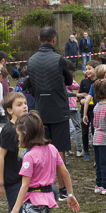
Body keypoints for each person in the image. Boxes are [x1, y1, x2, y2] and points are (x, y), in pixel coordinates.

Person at [24, 27, 72, 200]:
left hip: (41, 110)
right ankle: (63, 190)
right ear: (54, 39)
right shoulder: (60, 60)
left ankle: (44, 187)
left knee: (41, 148)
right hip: (58, 109)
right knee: (59, 151)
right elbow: (69, 80)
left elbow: (30, 84)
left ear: (39, 39)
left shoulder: (31, 60)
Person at [77, 60, 99, 161]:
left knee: (95, 131)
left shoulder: (99, 82)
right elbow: (79, 95)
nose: (87, 71)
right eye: (86, 69)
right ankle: (86, 150)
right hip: (85, 112)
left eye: (89, 69)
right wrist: (81, 100)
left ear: (96, 69)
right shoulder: (84, 82)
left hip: (96, 111)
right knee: (85, 131)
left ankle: (96, 150)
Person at [66, 61, 83, 157]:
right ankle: (79, 150)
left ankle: (67, 149)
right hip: (71, 107)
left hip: (64, 106)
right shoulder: (68, 80)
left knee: (67, 128)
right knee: (77, 128)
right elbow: (76, 86)